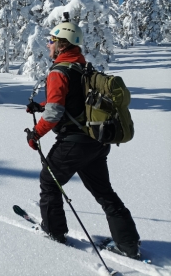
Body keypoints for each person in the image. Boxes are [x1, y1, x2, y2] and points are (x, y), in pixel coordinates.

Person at [24, 20, 141, 259]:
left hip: (73, 143)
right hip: (96, 142)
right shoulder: (82, 67)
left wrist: (36, 134)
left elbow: (56, 112)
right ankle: (128, 244)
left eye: (51, 41)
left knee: (49, 182)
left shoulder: (59, 71)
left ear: (60, 43)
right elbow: (74, 102)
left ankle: (54, 232)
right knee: (105, 193)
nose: (48, 45)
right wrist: (41, 105)